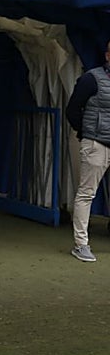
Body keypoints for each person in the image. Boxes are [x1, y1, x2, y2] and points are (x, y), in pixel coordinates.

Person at [65, 40, 110, 263]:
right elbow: (72, 109)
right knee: (86, 193)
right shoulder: (91, 79)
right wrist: (87, 132)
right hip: (96, 144)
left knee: (87, 193)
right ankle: (81, 245)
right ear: (107, 56)